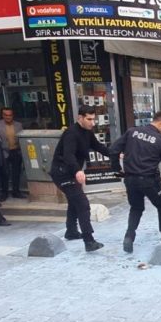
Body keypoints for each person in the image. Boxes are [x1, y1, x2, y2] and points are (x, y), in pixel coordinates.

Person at [109, 110, 161, 253]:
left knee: (136, 208)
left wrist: (116, 169)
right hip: (149, 181)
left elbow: (113, 150)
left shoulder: (132, 132)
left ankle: (129, 236)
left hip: (130, 179)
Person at [50, 106, 113, 251]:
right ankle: (89, 241)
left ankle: (71, 231)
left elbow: (98, 147)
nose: (92, 123)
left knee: (74, 202)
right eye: (89, 119)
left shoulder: (87, 132)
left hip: (72, 172)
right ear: (80, 118)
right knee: (83, 204)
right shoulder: (71, 133)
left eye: (94, 119)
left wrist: (116, 154)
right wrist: (78, 170)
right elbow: (68, 155)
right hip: (62, 173)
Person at [0, 107, 25, 200]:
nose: (8, 117)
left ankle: (16, 191)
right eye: (6, 115)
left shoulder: (18, 125)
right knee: (5, 173)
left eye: (10, 115)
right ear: (3, 115)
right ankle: (4, 192)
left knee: (16, 173)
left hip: (16, 151)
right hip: (4, 152)